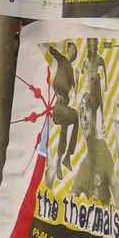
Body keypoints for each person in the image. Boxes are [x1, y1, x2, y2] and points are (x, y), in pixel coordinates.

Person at [47, 42, 79, 180]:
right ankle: (66, 157)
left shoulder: (71, 70)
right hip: (58, 107)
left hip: (64, 107)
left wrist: (76, 80)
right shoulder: (63, 60)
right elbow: (54, 53)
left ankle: (62, 160)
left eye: (72, 51)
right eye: (70, 50)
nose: (70, 53)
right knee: (76, 117)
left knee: (64, 135)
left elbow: (75, 91)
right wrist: (49, 48)